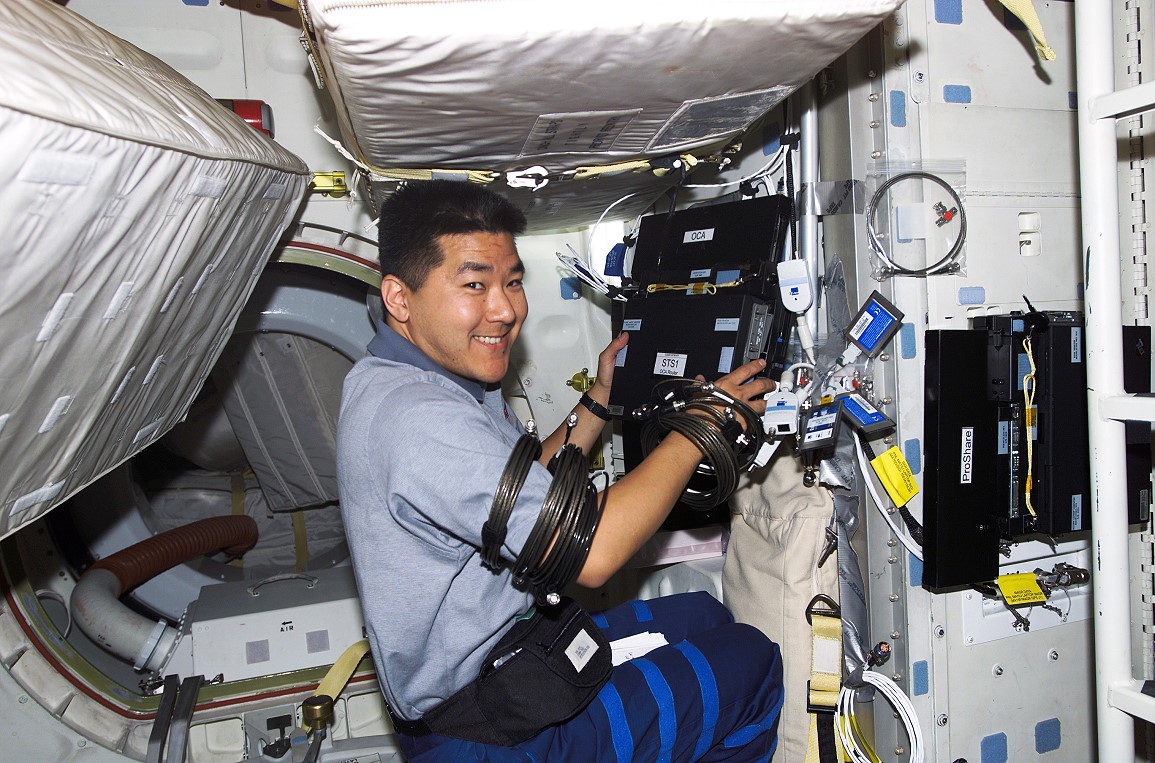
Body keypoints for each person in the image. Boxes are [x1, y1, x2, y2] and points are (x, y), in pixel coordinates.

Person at [337, 179, 783, 762]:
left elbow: (515, 494)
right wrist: (703, 424)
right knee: (753, 663)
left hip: (519, 655)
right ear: (399, 298)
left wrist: (598, 399)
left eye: (513, 281)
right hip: (490, 730)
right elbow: (592, 554)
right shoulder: (417, 418)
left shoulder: (410, 378)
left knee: (704, 614)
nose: (505, 310)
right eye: (474, 285)